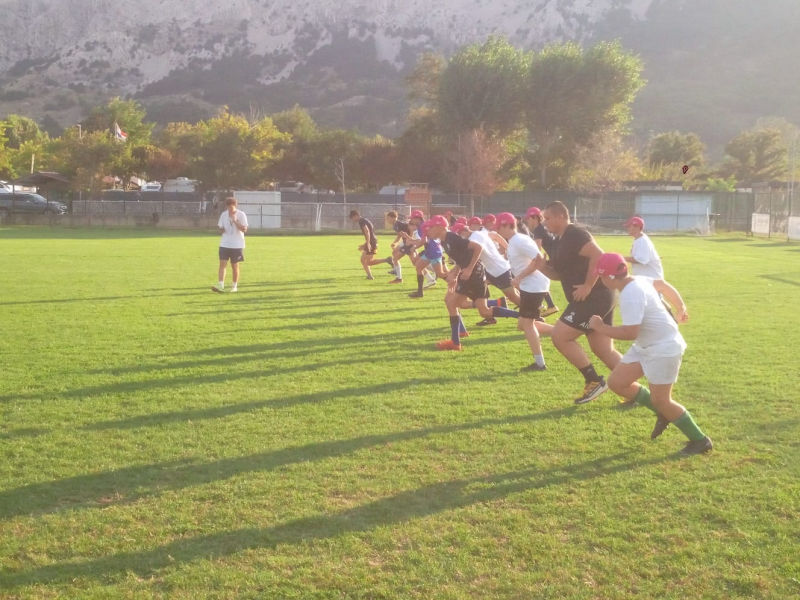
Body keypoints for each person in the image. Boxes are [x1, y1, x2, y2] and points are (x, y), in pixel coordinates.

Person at [590, 253, 712, 455]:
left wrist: (600, 327)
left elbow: (630, 332)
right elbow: (662, 284)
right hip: (645, 346)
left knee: (662, 400)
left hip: (663, 348)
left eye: (602, 277)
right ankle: (663, 413)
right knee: (617, 383)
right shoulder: (637, 279)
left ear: (611, 277)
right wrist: (680, 306)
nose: (600, 281)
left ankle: (700, 440)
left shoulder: (631, 293)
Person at [535, 201, 621, 404]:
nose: (545, 223)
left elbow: (599, 255)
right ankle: (632, 388)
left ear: (560, 216)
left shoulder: (575, 233)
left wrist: (588, 285)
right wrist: (542, 267)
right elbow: (559, 275)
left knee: (560, 336)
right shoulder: (559, 240)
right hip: (597, 298)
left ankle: (594, 380)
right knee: (603, 349)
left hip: (595, 297)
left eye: (547, 218)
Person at [495, 212, 554, 371]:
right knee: (523, 324)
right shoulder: (514, 241)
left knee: (527, 325)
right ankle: (562, 332)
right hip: (530, 286)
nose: (498, 230)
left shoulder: (520, 240)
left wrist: (519, 277)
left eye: (499, 227)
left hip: (534, 286)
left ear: (508, 225)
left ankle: (540, 363)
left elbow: (539, 259)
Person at [424, 215, 486, 351]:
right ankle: (458, 337)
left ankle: (456, 342)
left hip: (473, 273)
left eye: (431, 227)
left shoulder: (452, 238)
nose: (428, 230)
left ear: (440, 228)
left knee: (454, 303)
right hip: (466, 273)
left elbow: (478, 248)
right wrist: (455, 273)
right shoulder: (445, 241)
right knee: (452, 302)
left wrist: (469, 269)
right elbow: (462, 257)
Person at [468, 216, 522, 325]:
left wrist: (508, 248)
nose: (471, 227)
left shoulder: (479, 235)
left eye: (473, 225)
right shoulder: (480, 234)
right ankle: (489, 316)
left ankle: (533, 314)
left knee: (513, 296)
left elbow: (496, 236)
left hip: (499, 270)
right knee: (478, 291)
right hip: (490, 270)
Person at [524, 206, 559, 317]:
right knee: (539, 277)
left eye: (528, 218)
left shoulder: (538, 230)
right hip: (555, 257)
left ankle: (545, 306)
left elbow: (537, 249)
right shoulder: (541, 228)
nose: (527, 221)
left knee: (536, 276)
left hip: (556, 258)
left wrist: (532, 261)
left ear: (534, 218)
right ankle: (549, 305)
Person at [212, 197, 248, 293]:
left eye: (231, 207)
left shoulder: (241, 214)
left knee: (235, 266)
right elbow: (220, 228)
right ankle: (220, 285)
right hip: (224, 243)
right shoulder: (223, 215)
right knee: (222, 265)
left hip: (237, 245)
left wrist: (235, 221)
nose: (230, 210)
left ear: (235, 205)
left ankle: (234, 286)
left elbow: (244, 229)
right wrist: (221, 229)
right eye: (228, 207)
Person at [408, 219, 449, 298]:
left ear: (417, 218)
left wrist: (414, 248)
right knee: (418, 267)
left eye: (413, 218)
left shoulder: (424, 227)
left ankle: (456, 282)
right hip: (429, 252)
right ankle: (420, 292)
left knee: (441, 274)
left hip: (434, 252)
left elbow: (424, 241)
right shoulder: (425, 225)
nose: (412, 220)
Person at [349, 209, 391, 279]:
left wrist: (368, 243)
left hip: (372, 242)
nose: (353, 220)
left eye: (352, 218)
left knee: (369, 262)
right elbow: (370, 232)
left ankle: (387, 260)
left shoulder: (361, 221)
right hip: (371, 241)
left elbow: (367, 231)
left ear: (356, 216)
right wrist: (365, 244)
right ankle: (370, 276)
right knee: (363, 260)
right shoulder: (364, 220)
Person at [624, 216, 665, 281]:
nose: (627, 228)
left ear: (637, 227)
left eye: (629, 226)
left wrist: (621, 258)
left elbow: (640, 260)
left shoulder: (642, 241)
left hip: (652, 280)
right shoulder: (639, 239)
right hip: (647, 279)